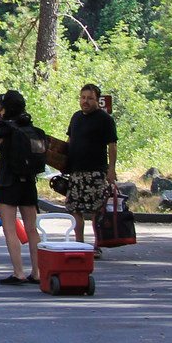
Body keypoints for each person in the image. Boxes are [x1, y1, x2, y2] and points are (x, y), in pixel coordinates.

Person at [0, 90, 43, 285]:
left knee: (10, 228)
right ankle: (37, 272)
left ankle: (18, 272)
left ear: (4, 110)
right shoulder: (31, 128)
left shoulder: (2, 129)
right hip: (29, 181)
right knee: (32, 229)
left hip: (8, 181)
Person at [65, 83, 119, 243]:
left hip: (96, 172)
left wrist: (111, 170)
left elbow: (112, 145)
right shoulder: (76, 117)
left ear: (98, 101)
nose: (85, 101)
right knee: (74, 209)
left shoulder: (105, 119)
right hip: (75, 172)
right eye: (83, 98)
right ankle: (79, 243)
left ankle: (97, 244)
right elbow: (69, 140)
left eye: (90, 98)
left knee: (97, 210)